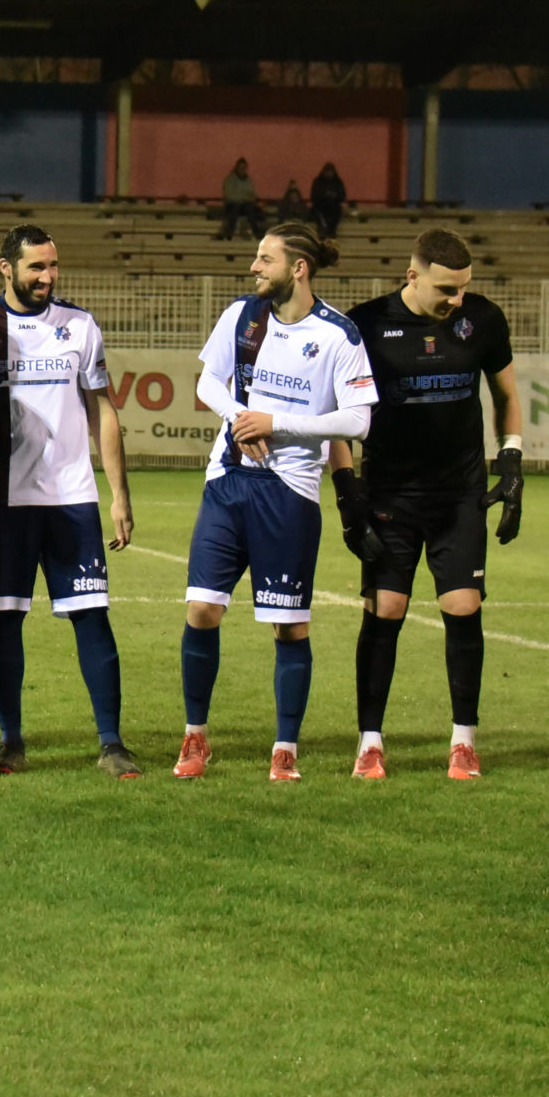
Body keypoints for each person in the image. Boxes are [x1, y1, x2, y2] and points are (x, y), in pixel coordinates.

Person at [177, 222, 377, 783]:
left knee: (288, 626)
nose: (254, 267)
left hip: (290, 493)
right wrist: (241, 419)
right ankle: (195, 735)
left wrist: (277, 423)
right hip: (227, 481)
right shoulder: (242, 315)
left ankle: (285, 747)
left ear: (298, 268)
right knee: (201, 609)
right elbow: (208, 383)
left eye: (265, 259)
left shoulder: (339, 335)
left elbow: (357, 421)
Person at [0, 224, 140, 779]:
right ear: (6, 268)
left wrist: (118, 494)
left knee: (92, 614)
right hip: (3, 501)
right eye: (36, 267)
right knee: (5, 618)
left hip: (72, 498)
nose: (48, 276)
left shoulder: (80, 325)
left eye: (52, 265)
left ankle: (112, 743)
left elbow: (102, 409)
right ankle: (10, 743)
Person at [344, 228, 522, 782]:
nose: (457, 299)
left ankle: (464, 741)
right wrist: (348, 493)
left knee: (464, 607)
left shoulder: (483, 319)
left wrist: (511, 458)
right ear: (412, 275)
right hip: (390, 495)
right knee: (386, 609)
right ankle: (370, 743)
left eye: (464, 287)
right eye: (446, 289)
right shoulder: (366, 324)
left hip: (460, 493)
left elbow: (507, 394)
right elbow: (338, 415)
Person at [217, 159, 265, 241]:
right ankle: (229, 233)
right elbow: (229, 195)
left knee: (251, 209)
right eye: (241, 167)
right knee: (235, 209)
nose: (243, 169)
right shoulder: (230, 180)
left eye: (244, 167)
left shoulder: (249, 180)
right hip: (232, 205)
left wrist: (247, 198)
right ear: (237, 167)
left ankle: (257, 232)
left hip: (245, 206)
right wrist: (244, 197)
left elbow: (252, 194)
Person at [310, 162, 347, 238]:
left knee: (337, 212)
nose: (329, 174)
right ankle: (324, 229)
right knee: (318, 213)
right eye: (328, 171)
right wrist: (324, 196)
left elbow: (342, 195)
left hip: (334, 205)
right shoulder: (318, 181)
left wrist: (334, 197)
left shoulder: (338, 182)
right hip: (320, 205)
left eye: (330, 172)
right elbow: (314, 196)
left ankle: (331, 230)